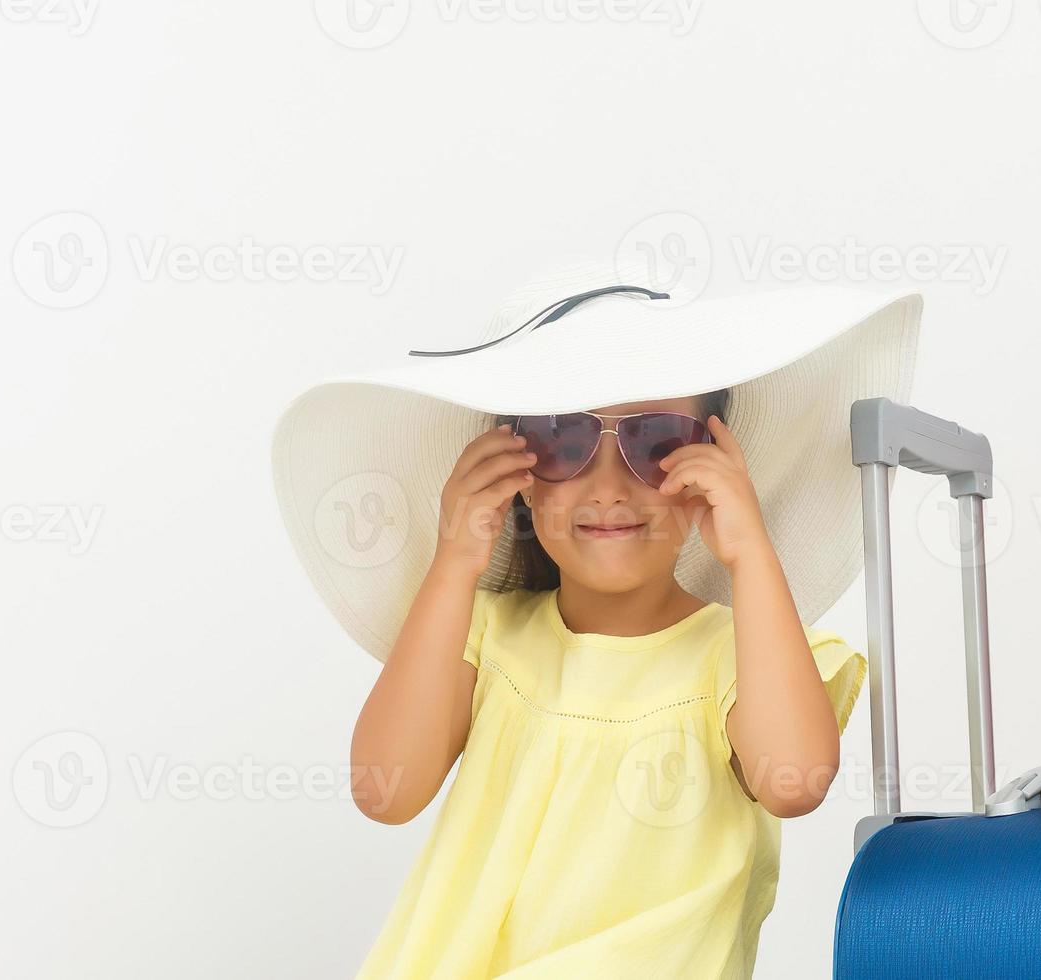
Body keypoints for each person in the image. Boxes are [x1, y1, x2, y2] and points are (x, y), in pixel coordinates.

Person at [270, 264, 923, 977]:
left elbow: (793, 780)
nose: (608, 486)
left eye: (656, 444)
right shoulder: (488, 638)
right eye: (561, 439)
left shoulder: (734, 658)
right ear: (511, 471)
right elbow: (385, 789)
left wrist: (751, 552)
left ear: (714, 466)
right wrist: (454, 560)